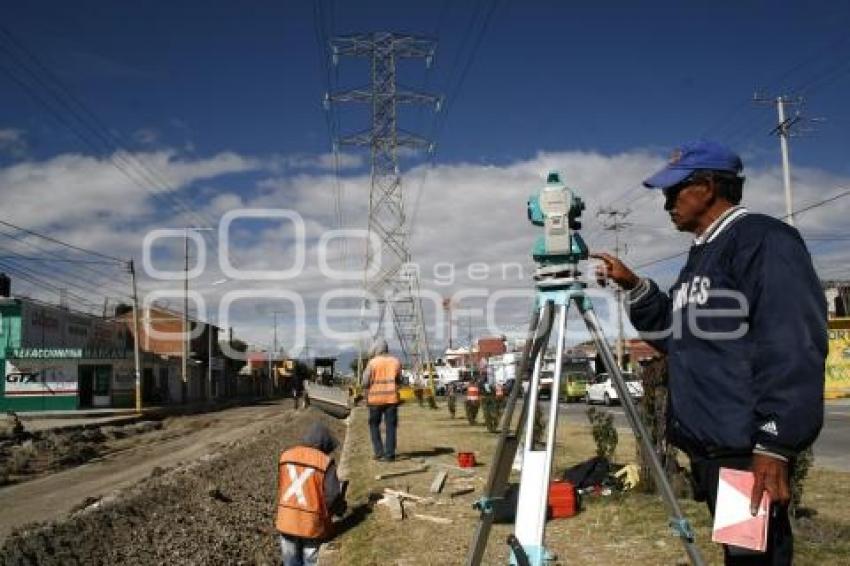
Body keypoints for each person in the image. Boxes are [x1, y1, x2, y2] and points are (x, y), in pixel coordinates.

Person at [592, 140, 826, 566]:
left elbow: (794, 341)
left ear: (708, 186)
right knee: (741, 555)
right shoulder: (702, 255)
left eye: (673, 191)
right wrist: (635, 287)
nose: (666, 204)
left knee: (754, 559)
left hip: (745, 450)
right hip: (714, 450)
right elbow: (676, 335)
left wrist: (775, 441)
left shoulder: (762, 240)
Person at [275, 422, 346, 566]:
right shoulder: (325, 461)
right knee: (311, 561)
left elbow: (282, 485)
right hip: (311, 524)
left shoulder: (286, 456)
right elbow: (332, 495)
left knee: (290, 562)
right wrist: (336, 511)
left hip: (286, 520)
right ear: (323, 445)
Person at [360, 338, 402, 461]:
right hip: (391, 399)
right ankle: (389, 455)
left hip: (375, 400)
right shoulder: (396, 362)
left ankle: (378, 452)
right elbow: (399, 380)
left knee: (374, 425)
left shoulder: (372, 363)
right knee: (391, 427)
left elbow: (364, 382)